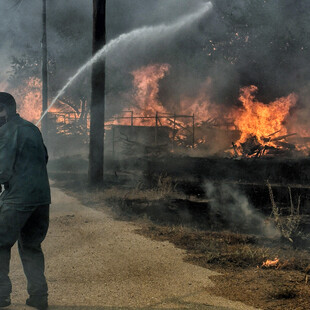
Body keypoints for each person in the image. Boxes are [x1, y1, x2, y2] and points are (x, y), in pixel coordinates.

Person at [0, 92, 51, 310]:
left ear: (4, 109)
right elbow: (45, 158)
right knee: (31, 246)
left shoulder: (7, 131)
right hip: (41, 199)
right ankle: (38, 298)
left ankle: (1, 297)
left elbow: (2, 170)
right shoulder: (32, 128)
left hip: (18, 199)